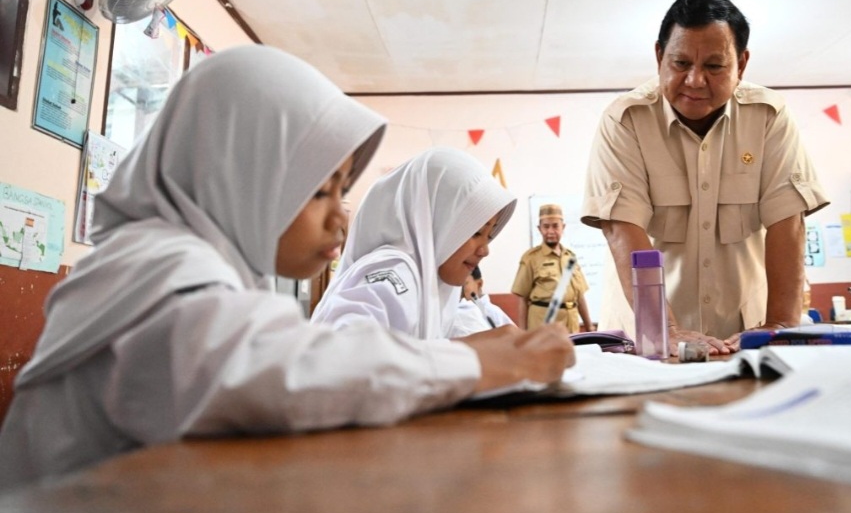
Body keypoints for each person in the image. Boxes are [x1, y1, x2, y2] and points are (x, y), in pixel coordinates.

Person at [0, 46, 574, 489]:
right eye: (319, 192)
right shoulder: (155, 267)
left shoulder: (202, 269)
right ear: (239, 176)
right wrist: (467, 364)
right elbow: (278, 373)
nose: (341, 222)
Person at [581, 0, 829, 354]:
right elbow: (621, 227)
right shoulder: (625, 120)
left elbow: (787, 222)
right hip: (645, 337)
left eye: (714, 66)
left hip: (745, 337)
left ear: (741, 65)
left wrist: (779, 324)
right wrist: (664, 330)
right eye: (681, 64)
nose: (696, 80)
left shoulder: (769, 117)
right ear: (659, 56)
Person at [310, 147, 519, 340]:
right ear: (436, 222)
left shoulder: (434, 285)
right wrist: (465, 354)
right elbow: (343, 357)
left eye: (489, 236)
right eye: (476, 232)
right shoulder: (393, 276)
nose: (485, 250)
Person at [512, 204, 594, 333]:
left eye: (555, 226)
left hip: (571, 324)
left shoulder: (570, 257)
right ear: (539, 229)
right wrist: (522, 333)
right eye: (546, 226)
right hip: (543, 324)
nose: (550, 231)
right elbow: (523, 298)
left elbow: (580, 296)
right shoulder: (531, 258)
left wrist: (589, 326)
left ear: (563, 227)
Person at [452, 266, 516, 336]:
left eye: (463, 285)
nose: (458, 291)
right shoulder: (452, 311)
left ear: (479, 284)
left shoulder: (492, 312)